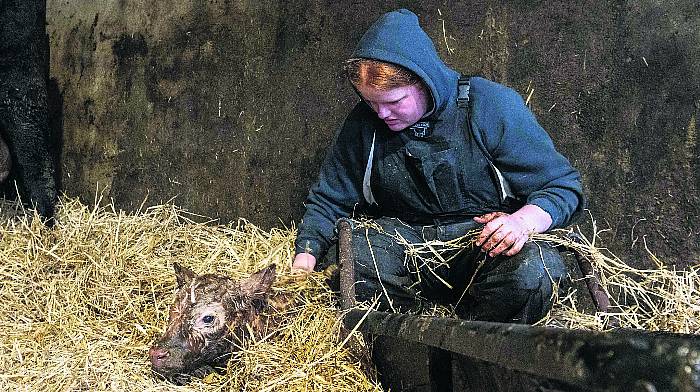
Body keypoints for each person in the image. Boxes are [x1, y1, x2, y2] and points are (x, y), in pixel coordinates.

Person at [292, 9, 584, 324]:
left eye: (394, 102)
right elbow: (330, 198)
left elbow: (562, 187)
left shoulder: (489, 106)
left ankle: (474, 341)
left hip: (480, 240)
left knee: (536, 271)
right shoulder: (364, 125)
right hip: (404, 240)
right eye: (371, 103)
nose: (381, 115)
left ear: (425, 81)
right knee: (349, 263)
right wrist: (303, 260)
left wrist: (521, 223)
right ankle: (415, 338)